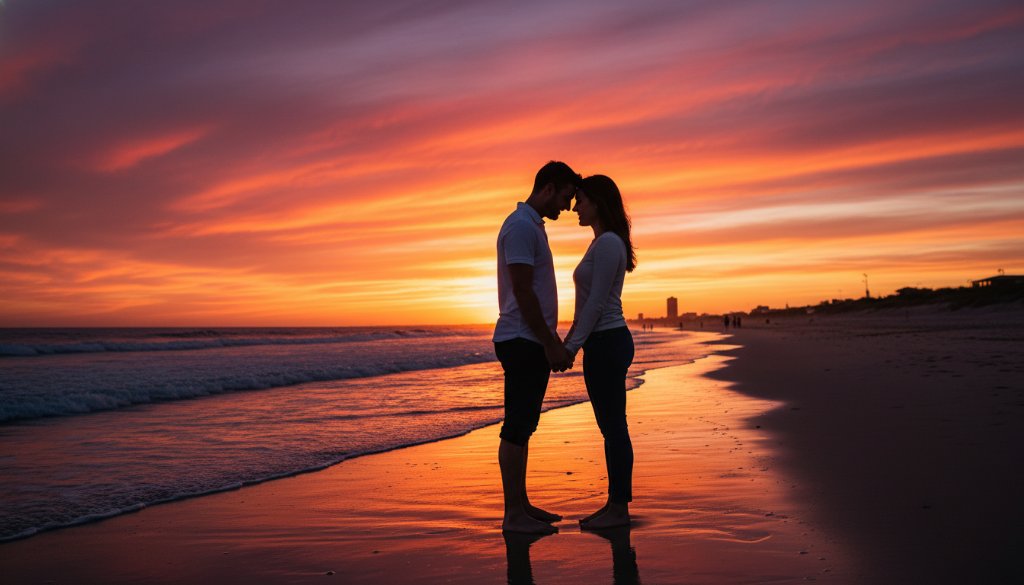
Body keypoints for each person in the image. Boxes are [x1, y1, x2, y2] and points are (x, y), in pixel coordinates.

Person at [494, 161, 581, 534]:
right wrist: (549, 343)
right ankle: (513, 514)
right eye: (565, 196)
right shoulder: (519, 227)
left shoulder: (531, 226)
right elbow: (523, 291)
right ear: (548, 188)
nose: (567, 205)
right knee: (516, 426)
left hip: (529, 339)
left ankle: (522, 505)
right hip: (521, 339)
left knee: (525, 425)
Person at [563, 174, 637, 529]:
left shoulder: (608, 244)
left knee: (613, 428)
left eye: (581, 200)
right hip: (602, 341)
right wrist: (572, 341)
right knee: (611, 427)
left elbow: (594, 305)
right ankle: (614, 505)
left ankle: (618, 509)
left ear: (597, 201)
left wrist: (570, 347)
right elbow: (587, 306)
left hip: (607, 341)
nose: (575, 206)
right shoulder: (601, 243)